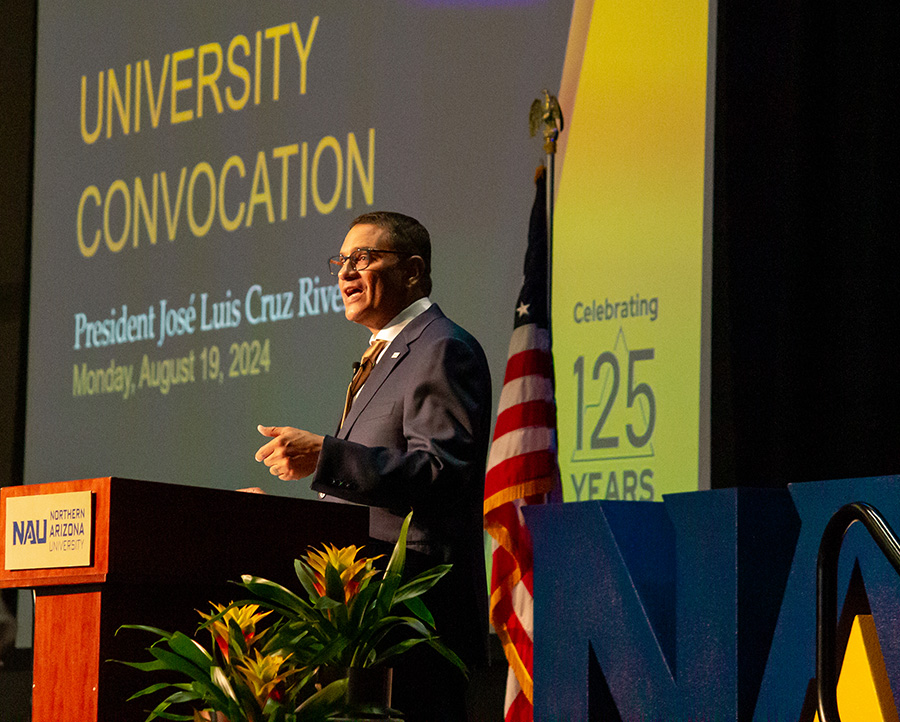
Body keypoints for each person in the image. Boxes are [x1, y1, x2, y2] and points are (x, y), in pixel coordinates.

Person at [254, 211, 491, 721]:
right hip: (364, 620)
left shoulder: (442, 348)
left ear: (412, 271)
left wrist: (327, 455)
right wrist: (272, 524)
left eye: (362, 258)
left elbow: (440, 472)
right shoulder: (384, 355)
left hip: (414, 620)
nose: (344, 272)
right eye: (341, 260)